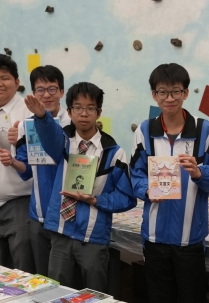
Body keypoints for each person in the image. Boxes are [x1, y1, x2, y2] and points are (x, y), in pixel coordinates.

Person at [129, 63, 209, 303]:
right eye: (163, 92)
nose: (169, 98)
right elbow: (135, 174)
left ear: (186, 93)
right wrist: (146, 190)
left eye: (175, 91)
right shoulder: (144, 131)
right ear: (154, 95)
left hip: (190, 238)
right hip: (154, 237)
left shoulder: (205, 131)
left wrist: (199, 172)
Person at [22, 81, 135, 290]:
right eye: (78, 108)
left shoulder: (113, 152)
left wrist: (96, 200)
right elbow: (48, 134)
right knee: (57, 291)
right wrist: (41, 116)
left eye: (90, 108)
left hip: (93, 237)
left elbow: (127, 197)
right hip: (61, 232)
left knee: (94, 293)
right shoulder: (63, 141)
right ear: (69, 111)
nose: (84, 113)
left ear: (99, 112)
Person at [5, 65, 71, 276]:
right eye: (40, 90)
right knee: (42, 275)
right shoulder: (26, 126)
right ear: (33, 93)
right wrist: (12, 161)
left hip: (66, 214)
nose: (46, 95)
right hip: (38, 213)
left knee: (65, 276)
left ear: (62, 92)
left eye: (52, 89)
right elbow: (26, 171)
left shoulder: (72, 124)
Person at [0, 54, 35, 271]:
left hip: (19, 203)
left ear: (17, 82)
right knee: (4, 270)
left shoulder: (27, 112)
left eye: (5, 78)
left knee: (23, 269)